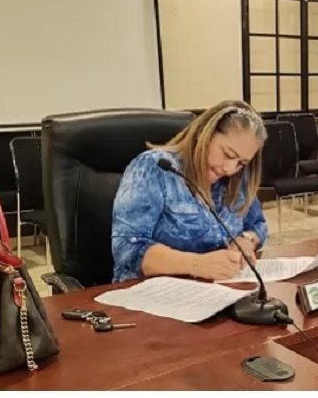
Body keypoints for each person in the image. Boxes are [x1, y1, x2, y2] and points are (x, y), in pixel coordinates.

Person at [111, 101, 269, 282]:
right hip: (150, 294)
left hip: (216, 291)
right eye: (228, 154)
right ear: (205, 134)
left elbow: (258, 224)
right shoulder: (157, 168)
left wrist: (246, 240)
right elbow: (125, 247)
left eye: (241, 163)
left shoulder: (236, 179)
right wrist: (197, 264)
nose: (230, 168)